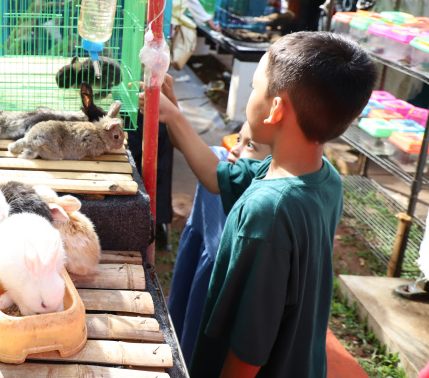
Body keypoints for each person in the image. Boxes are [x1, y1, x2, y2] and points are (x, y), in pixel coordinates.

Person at [154, 31, 376, 377]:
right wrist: (173, 116)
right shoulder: (321, 176)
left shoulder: (267, 213)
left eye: (255, 87)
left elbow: (248, 352)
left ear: (275, 109)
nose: (250, 95)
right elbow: (217, 176)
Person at [168, 122, 270, 365]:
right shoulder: (225, 160)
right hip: (200, 276)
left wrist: (172, 114)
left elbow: (213, 175)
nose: (235, 150)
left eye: (250, 145)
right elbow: (183, 142)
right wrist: (172, 111)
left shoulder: (246, 183)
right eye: (238, 139)